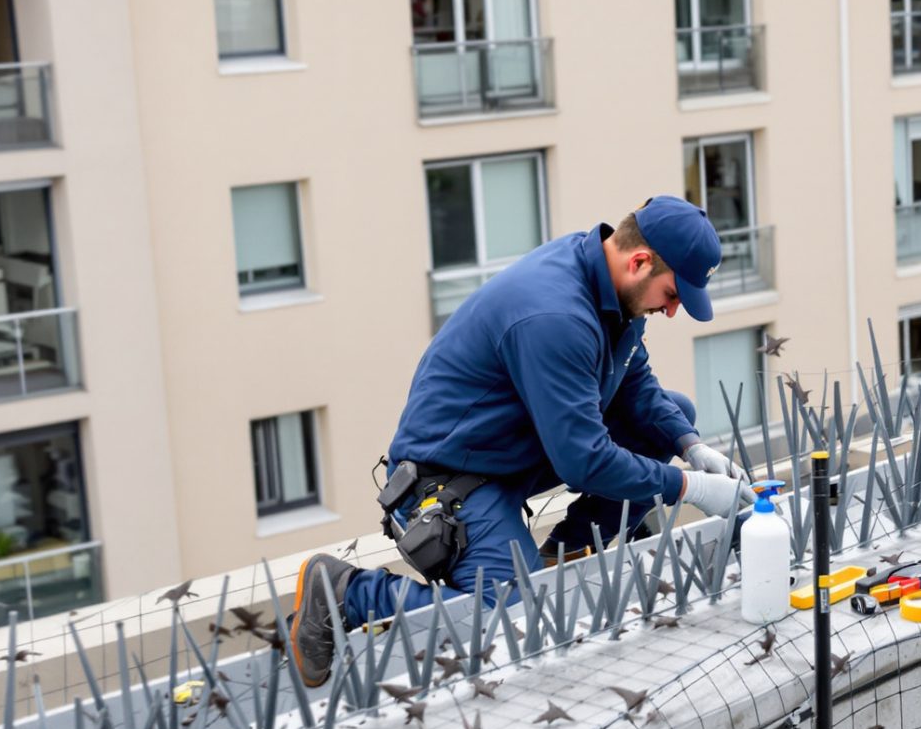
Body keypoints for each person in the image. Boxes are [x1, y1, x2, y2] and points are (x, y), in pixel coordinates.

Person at [283, 197, 758, 688]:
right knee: (524, 623)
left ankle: (567, 554)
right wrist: (690, 488)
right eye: (673, 294)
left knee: (673, 415)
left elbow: (633, 379)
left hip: (514, 452)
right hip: (450, 482)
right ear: (640, 262)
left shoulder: (612, 288)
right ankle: (346, 591)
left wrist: (689, 445)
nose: (673, 310)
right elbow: (584, 460)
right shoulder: (555, 314)